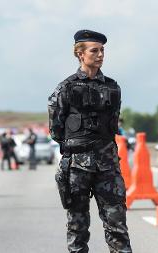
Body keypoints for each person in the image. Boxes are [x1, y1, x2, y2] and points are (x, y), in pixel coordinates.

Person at [48, 29, 132, 253]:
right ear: (80, 54)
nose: (100, 55)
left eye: (103, 50)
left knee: (117, 226)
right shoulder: (65, 88)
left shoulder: (112, 87)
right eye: (95, 50)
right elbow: (55, 128)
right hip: (77, 166)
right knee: (78, 227)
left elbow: (113, 123)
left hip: (108, 165)